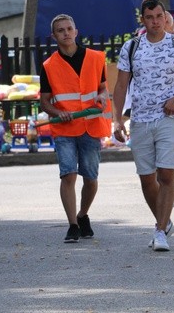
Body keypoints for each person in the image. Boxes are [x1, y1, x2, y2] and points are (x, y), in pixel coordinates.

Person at [112, 0, 174, 252]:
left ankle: (160, 230)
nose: (155, 22)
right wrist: (117, 120)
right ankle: (163, 220)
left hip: (169, 118)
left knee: (166, 174)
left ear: (166, 18)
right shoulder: (131, 47)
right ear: (143, 20)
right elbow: (120, 86)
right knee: (146, 179)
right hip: (140, 119)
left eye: (159, 17)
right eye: (150, 17)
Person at [39, 14, 113, 243]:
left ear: (76, 31)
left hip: (90, 125)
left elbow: (102, 88)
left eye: (69, 28)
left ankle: (82, 215)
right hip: (65, 129)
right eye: (60, 30)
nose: (66, 33)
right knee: (68, 174)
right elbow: (44, 101)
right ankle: (72, 224)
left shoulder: (96, 58)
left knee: (90, 178)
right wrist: (57, 112)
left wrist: (102, 97)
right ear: (54, 36)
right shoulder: (49, 66)